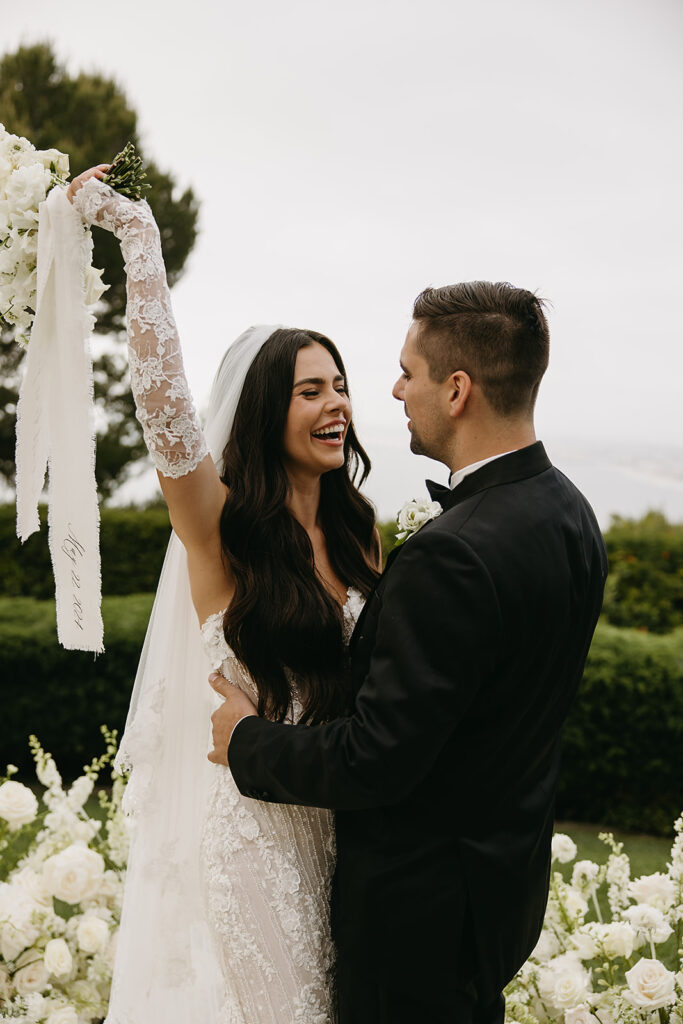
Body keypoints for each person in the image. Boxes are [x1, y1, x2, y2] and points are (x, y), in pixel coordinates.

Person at [209, 281, 609, 1024]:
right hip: (495, 900)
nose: (391, 390)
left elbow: (375, 759)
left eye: (407, 372)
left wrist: (246, 742)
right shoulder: (570, 514)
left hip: (415, 922)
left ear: (456, 390)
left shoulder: (448, 555)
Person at [67, 167, 380, 1023]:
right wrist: (139, 240)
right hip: (249, 836)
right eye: (309, 391)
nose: (336, 406)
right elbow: (163, 403)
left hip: (338, 832)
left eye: (340, 386)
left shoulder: (361, 536)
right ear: (265, 411)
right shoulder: (219, 528)